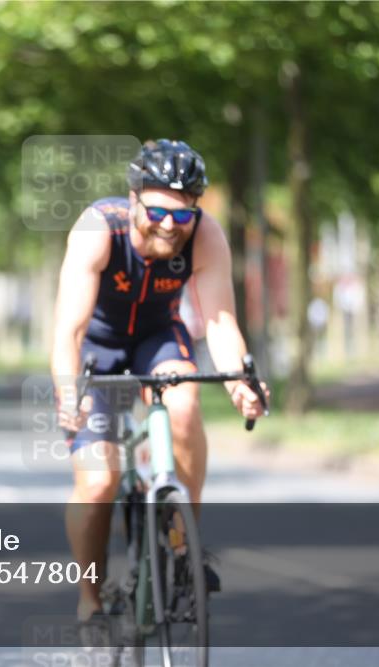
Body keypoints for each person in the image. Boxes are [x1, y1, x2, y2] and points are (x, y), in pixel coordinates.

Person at [51, 139, 269, 622]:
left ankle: (184, 548)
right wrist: (69, 391)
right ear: (133, 200)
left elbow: (219, 322)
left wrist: (240, 382)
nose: (170, 225)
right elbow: (69, 329)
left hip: (158, 338)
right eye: (156, 212)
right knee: (99, 482)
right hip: (97, 349)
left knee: (185, 410)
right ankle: (90, 599)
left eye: (183, 214)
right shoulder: (98, 229)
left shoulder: (205, 234)